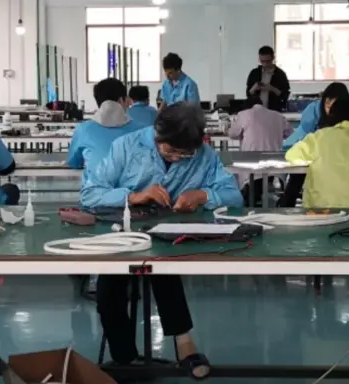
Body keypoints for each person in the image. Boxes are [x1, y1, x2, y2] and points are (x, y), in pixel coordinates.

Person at [81, 103, 242, 378]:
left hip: (168, 235)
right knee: (109, 290)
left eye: (185, 154)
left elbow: (233, 195)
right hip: (122, 234)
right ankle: (125, 357)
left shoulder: (204, 156)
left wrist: (202, 195)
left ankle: (184, 344)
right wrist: (134, 196)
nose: (178, 159)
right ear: (157, 135)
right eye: (171, 151)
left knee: (164, 267)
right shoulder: (126, 147)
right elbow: (90, 194)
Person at [68, 78, 148, 170]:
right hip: (134, 184)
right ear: (122, 100)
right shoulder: (143, 131)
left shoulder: (83, 129)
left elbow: (74, 163)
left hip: (96, 184)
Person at [228, 96, 293, 152]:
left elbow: (232, 134)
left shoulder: (243, 114)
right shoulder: (278, 116)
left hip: (249, 156)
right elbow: (291, 134)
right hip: (274, 156)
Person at [245, 46, 290, 111]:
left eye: (268, 61)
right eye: (262, 61)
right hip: (256, 111)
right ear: (259, 59)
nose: (265, 64)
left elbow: (285, 95)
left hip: (274, 111)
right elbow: (248, 94)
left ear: (273, 58)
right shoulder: (254, 73)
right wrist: (253, 88)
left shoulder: (280, 74)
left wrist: (272, 89)